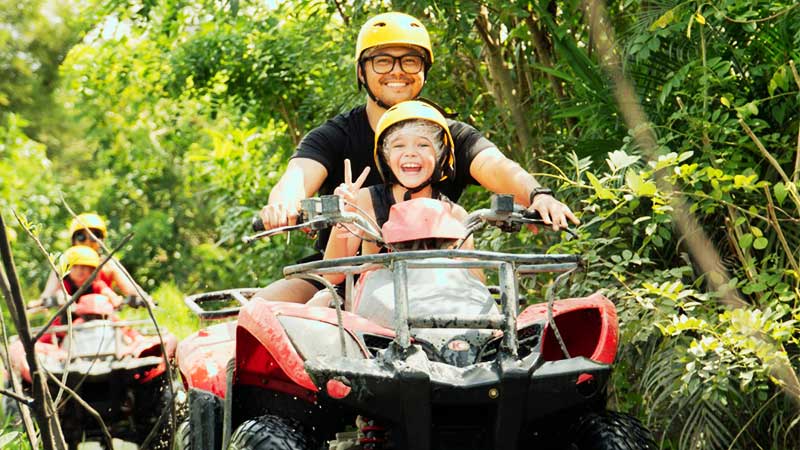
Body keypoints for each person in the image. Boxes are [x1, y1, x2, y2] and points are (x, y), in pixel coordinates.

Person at [256, 12, 578, 303]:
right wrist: (284, 204)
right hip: (343, 274)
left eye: (410, 61)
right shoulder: (337, 134)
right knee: (265, 313)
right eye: (382, 61)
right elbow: (298, 175)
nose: (397, 71)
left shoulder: (447, 135)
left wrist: (537, 195)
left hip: (436, 279)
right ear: (361, 71)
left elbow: (496, 165)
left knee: (496, 322)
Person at [38, 213, 141, 302]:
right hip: (69, 319)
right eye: (81, 237)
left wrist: (142, 298)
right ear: (74, 240)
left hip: (104, 317)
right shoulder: (63, 265)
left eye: (94, 237)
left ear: (101, 240)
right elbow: (47, 295)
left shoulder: (109, 264)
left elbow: (132, 290)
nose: (88, 242)